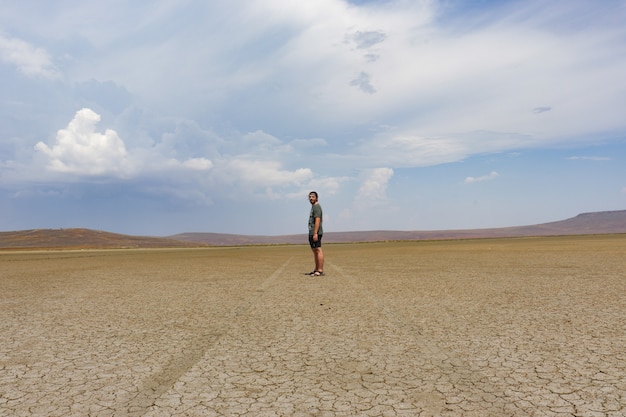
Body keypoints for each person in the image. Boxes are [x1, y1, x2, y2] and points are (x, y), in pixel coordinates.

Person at [308, 191, 324, 276]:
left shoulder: (317, 207)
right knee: (315, 251)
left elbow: (317, 220)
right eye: (310, 197)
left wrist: (315, 233)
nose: (311, 198)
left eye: (313, 197)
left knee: (318, 250)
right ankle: (316, 269)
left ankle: (320, 270)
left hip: (316, 232)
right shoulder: (313, 207)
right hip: (312, 232)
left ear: (316, 198)